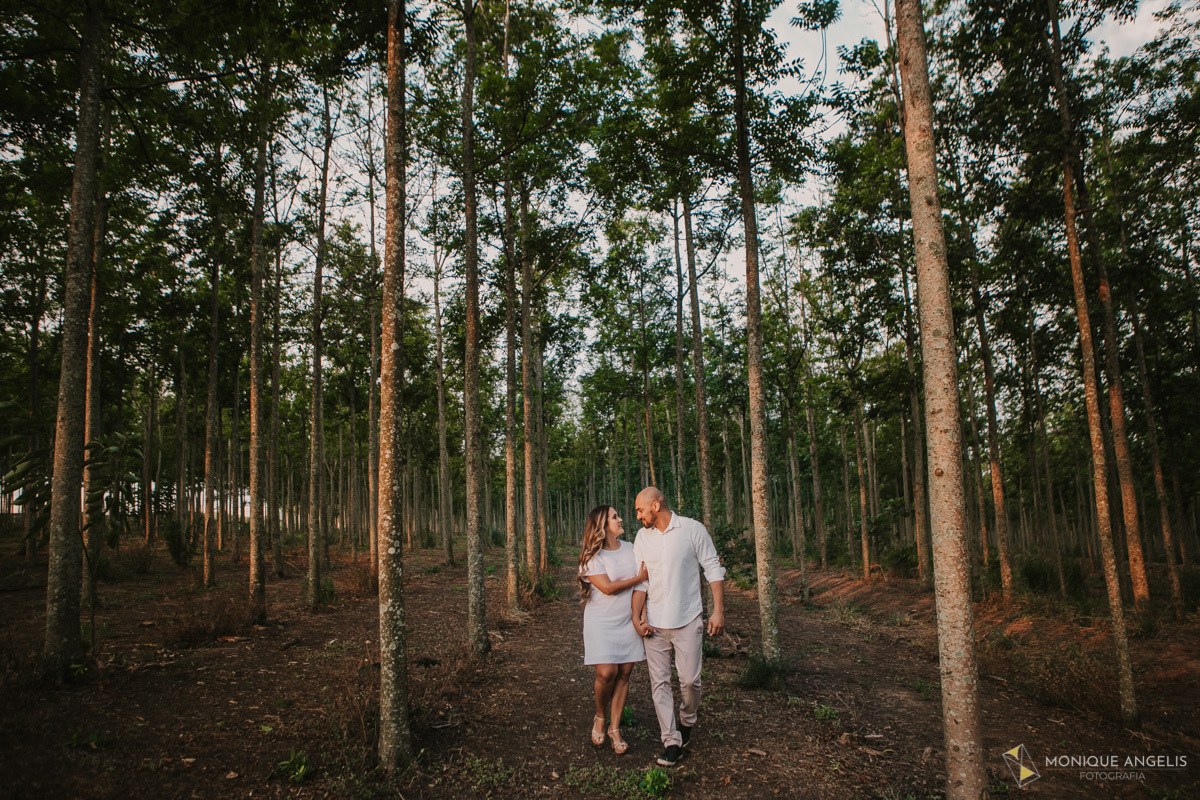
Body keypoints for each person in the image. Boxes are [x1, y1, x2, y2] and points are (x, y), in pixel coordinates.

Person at [631, 487, 725, 768]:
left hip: (687, 619)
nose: (638, 516)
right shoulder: (641, 538)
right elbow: (641, 581)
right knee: (659, 683)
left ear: (656, 506)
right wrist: (637, 618)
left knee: (689, 681)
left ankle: (687, 720)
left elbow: (713, 567)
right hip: (655, 625)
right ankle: (671, 741)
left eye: (640, 510)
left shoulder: (692, 529)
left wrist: (718, 611)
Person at [578, 505, 649, 755]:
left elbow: (646, 579)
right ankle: (600, 716)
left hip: (627, 619)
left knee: (625, 673)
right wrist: (637, 579)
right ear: (602, 525)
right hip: (602, 622)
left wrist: (640, 616)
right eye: (615, 517)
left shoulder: (631, 549)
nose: (621, 519)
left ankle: (615, 728)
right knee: (606, 673)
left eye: (618, 516)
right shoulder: (592, 557)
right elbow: (607, 588)